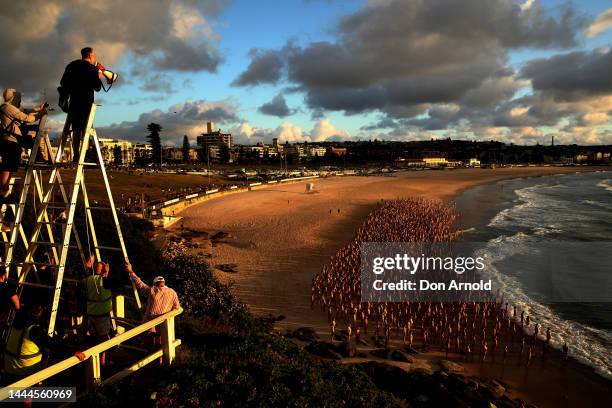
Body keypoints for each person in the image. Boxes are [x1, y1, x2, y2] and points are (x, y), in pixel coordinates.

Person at [0, 88, 46, 201]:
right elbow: (26, 118)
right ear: (13, 98)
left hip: (12, 141)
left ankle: (4, 192)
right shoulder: (7, 107)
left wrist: (37, 109)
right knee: (7, 167)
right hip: (10, 141)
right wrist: (41, 114)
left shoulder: (7, 107)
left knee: (9, 167)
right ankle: (3, 192)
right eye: (18, 99)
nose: (19, 101)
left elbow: (24, 112)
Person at [60, 47, 103, 161]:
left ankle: (76, 154)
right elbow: (97, 87)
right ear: (90, 56)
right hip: (86, 103)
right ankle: (84, 155)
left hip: (73, 103)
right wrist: (98, 77)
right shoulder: (92, 69)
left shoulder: (71, 65)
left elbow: (63, 82)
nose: (95, 58)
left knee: (76, 130)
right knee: (86, 129)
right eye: (94, 56)